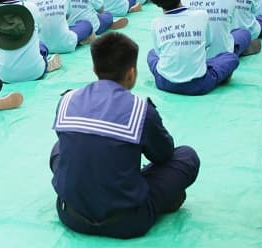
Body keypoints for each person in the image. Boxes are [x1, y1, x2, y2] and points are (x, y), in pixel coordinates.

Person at [50, 33, 200, 239]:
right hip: (128, 222)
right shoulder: (141, 110)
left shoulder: (67, 100)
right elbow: (164, 155)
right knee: (186, 156)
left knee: (59, 148)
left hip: (70, 215)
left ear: (94, 69)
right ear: (131, 73)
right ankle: (155, 197)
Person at [147, 0, 239, 95]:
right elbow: (208, 43)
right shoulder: (201, 15)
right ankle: (218, 74)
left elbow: (159, 53)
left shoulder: (156, 23)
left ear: (156, 4)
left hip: (165, 83)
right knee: (230, 57)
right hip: (199, 84)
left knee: (152, 54)